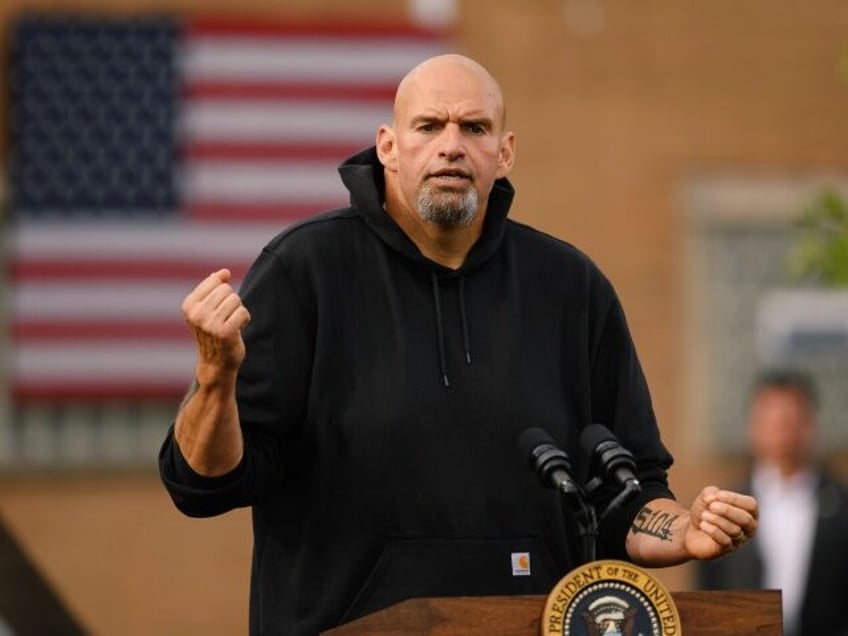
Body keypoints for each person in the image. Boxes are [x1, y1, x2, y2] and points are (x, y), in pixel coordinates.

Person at [159, 54, 758, 635]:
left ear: (505, 153)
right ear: (389, 147)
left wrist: (682, 530)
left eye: (474, 127)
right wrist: (216, 378)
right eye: (429, 126)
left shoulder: (570, 287)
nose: (451, 144)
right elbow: (204, 484)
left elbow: (627, 493)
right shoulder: (304, 271)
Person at [696, 369, 848, 636]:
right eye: (772, 422)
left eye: (791, 421)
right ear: (753, 427)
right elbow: (707, 594)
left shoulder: (840, 505)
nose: (783, 434)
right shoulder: (725, 507)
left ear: (811, 424)